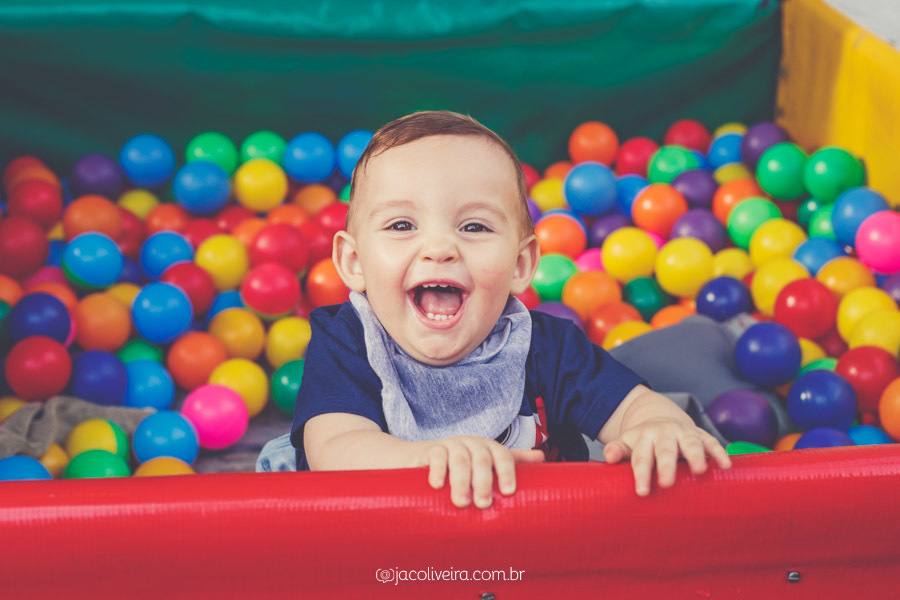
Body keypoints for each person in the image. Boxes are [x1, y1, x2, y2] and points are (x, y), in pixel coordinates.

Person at [257, 110, 731, 508]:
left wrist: (658, 427)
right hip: (384, 544)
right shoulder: (347, 341)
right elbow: (335, 449)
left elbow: (632, 406)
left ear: (520, 264)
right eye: (402, 224)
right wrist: (435, 459)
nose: (439, 248)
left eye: (475, 227)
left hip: (531, 543)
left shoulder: (548, 349)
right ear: (354, 263)